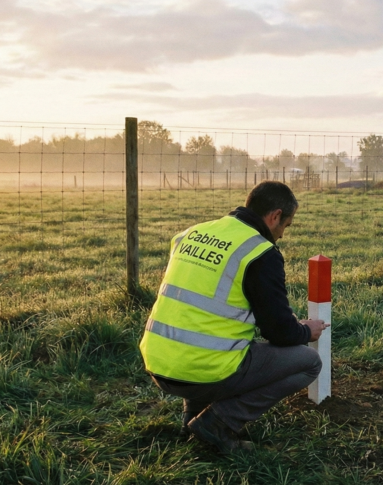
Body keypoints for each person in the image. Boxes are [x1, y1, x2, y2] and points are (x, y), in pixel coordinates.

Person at [139, 181, 328, 454]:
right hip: (203, 371)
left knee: (209, 346)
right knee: (308, 363)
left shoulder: (192, 233)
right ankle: (217, 422)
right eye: (286, 226)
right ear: (275, 216)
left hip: (158, 362)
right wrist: (304, 331)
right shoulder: (260, 252)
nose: (283, 235)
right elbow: (279, 333)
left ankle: (190, 418)